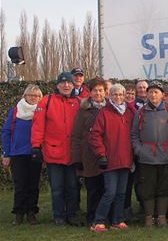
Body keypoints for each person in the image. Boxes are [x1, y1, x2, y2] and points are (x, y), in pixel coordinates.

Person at [31, 72, 81, 226]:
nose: (66, 86)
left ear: (73, 85)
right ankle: (58, 216)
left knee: (73, 187)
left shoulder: (79, 102)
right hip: (54, 152)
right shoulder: (47, 101)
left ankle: (72, 214)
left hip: (72, 153)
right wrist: (36, 146)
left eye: (69, 83)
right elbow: (38, 126)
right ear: (57, 85)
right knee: (57, 188)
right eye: (63, 83)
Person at [131, 81, 168, 227]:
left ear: (162, 95)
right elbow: (134, 135)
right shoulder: (140, 113)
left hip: (166, 157)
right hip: (146, 158)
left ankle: (161, 216)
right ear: (147, 94)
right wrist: (140, 151)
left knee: (164, 187)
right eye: (151, 92)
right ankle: (149, 217)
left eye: (156, 92)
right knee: (147, 188)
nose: (153, 95)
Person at [89, 84, 135, 231]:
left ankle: (118, 220)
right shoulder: (104, 112)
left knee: (122, 193)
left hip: (126, 159)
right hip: (110, 159)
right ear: (110, 95)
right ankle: (98, 221)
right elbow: (95, 135)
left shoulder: (130, 113)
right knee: (110, 192)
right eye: (115, 94)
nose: (118, 97)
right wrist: (101, 154)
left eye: (121, 94)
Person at [2, 84, 43, 225]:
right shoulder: (15, 112)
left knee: (33, 184)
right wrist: (6, 153)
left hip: (35, 153)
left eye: (37, 96)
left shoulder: (41, 112)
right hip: (18, 153)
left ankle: (31, 212)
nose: (34, 98)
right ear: (25, 96)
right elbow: (6, 132)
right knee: (20, 185)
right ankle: (19, 213)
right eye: (31, 95)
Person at [71, 77, 107, 225]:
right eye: (95, 90)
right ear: (90, 92)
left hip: (106, 154)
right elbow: (76, 135)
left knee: (106, 189)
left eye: (100, 90)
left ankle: (105, 217)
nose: (98, 93)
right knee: (93, 190)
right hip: (88, 155)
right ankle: (92, 217)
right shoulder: (83, 110)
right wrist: (77, 159)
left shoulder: (110, 108)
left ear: (105, 92)